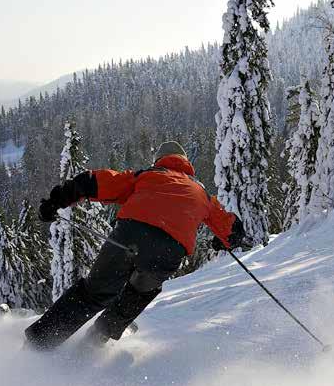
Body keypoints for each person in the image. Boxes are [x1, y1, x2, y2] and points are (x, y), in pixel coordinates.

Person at [24, 141, 247, 351]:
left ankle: (38, 345)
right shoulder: (202, 193)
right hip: (169, 251)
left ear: (159, 160)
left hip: (129, 237)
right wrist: (224, 240)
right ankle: (97, 340)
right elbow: (231, 227)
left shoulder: (148, 175)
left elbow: (96, 182)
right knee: (140, 292)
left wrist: (56, 201)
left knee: (92, 294)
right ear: (186, 164)